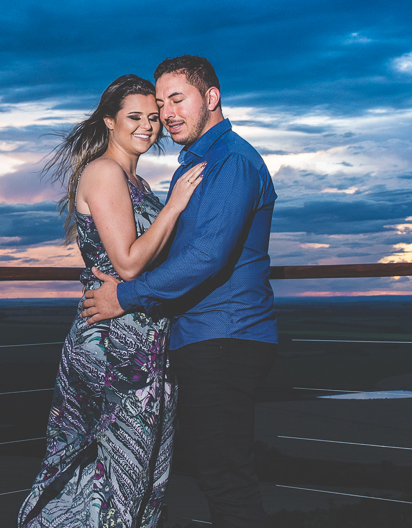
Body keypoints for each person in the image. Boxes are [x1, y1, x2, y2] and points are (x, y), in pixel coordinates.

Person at [81, 55, 278, 528]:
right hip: (200, 337)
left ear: (210, 98)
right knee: (212, 473)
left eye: (176, 99)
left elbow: (206, 258)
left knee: (225, 478)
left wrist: (123, 298)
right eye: (159, 102)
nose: (166, 113)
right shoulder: (198, 163)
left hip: (225, 337)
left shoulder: (229, 162)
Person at [19, 74, 206, 528]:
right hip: (110, 344)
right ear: (109, 121)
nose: (148, 126)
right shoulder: (104, 171)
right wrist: (176, 205)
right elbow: (127, 264)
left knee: (136, 473)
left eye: (154, 118)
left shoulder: (133, 181)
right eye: (135, 117)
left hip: (140, 341)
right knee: (107, 471)